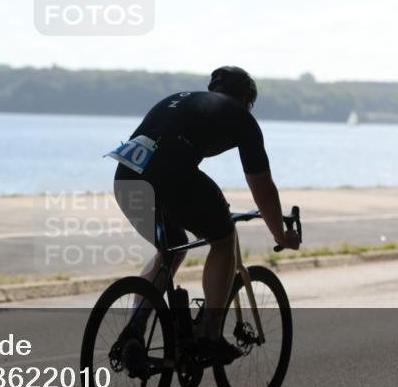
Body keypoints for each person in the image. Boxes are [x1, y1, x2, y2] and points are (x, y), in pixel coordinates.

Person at [107, 65, 300, 363]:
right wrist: (280, 234)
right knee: (223, 238)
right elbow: (261, 186)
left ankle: (134, 331)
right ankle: (209, 335)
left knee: (170, 250)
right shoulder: (241, 118)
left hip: (126, 176)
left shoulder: (182, 98)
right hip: (169, 174)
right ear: (247, 98)